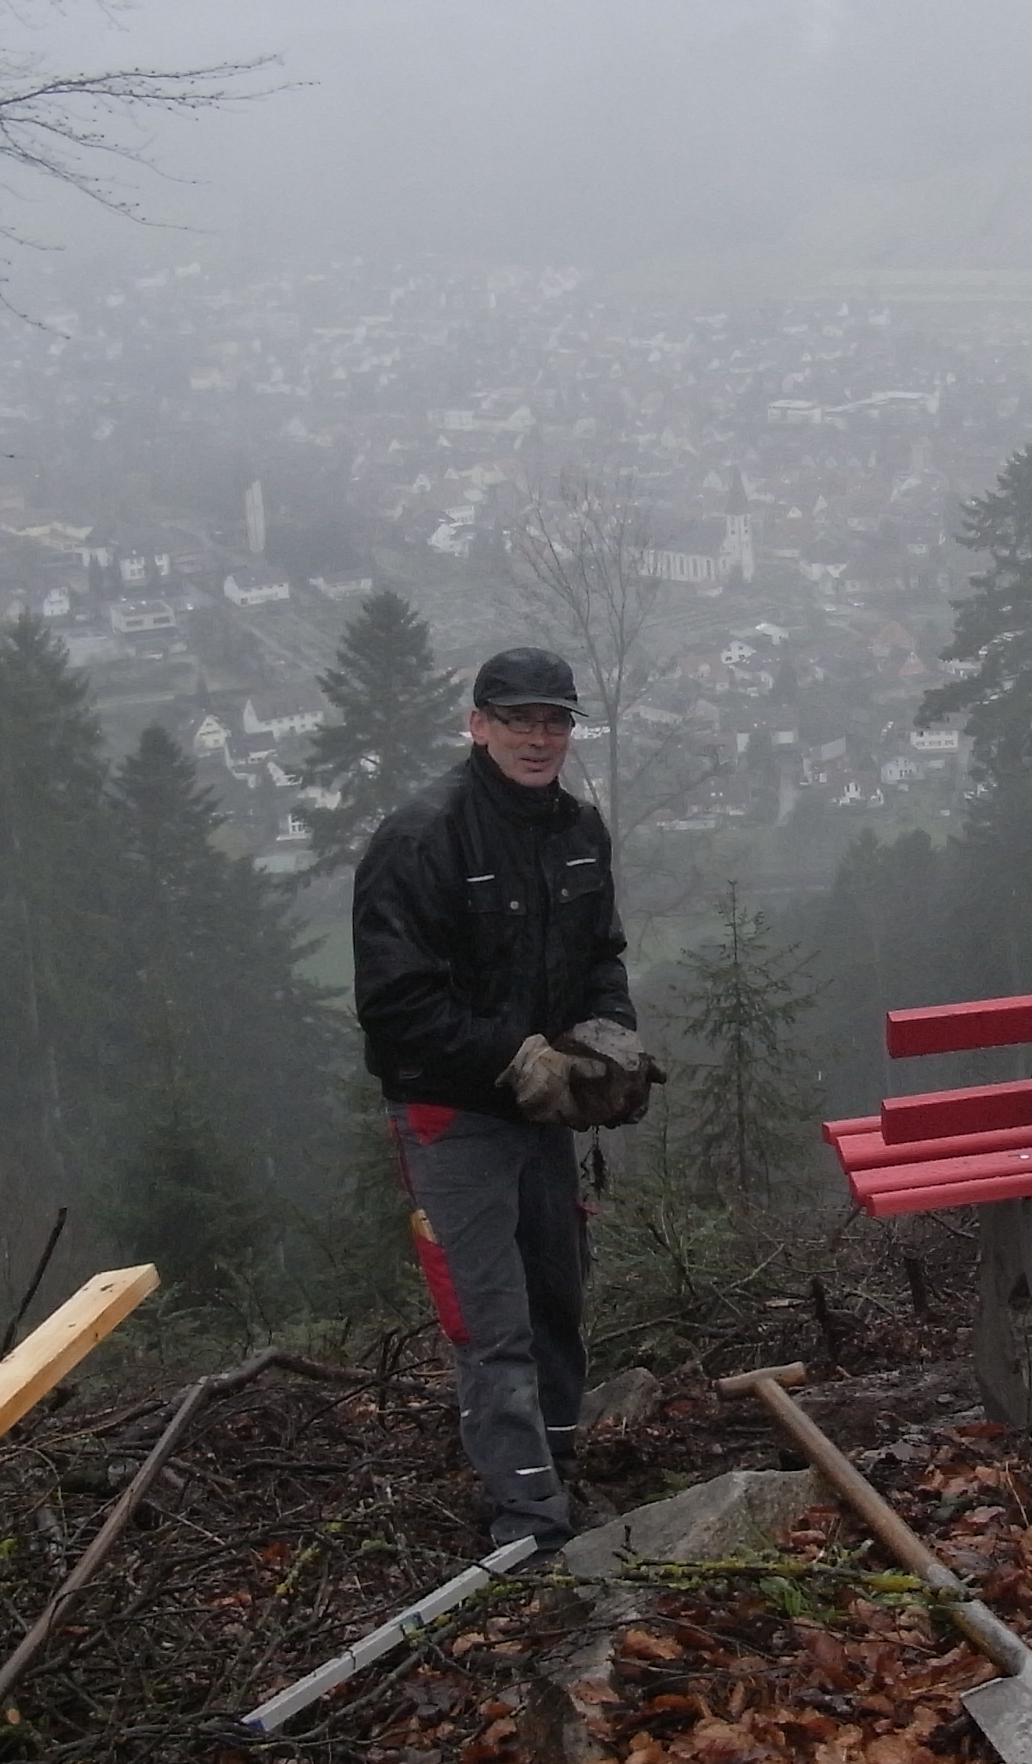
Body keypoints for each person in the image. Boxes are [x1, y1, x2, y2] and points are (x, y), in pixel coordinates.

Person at [354, 646, 660, 1554]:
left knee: (555, 1298)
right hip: (451, 1115)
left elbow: (601, 955)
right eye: (518, 720)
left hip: (542, 1113)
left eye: (554, 721)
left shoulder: (577, 829)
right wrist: (511, 1054)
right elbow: (393, 1004)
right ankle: (528, 1527)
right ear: (477, 724)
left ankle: (557, 1468)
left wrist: (607, 1037)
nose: (538, 737)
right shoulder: (423, 838)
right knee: (491, 1321)